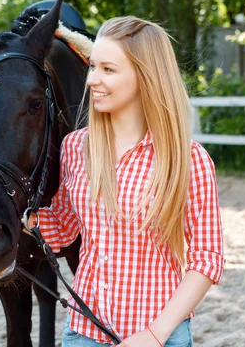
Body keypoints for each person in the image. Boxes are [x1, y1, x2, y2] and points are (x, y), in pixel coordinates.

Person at [28, 17, 225, 347]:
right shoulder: (76, 147)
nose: (92, 80)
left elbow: (207, 258)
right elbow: (63, 228)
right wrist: (15, 213)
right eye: (92, 67)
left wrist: (155, 334)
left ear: (144, 76)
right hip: (84, 332)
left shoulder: (187, 159)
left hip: (159, 335)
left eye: (108, 69)